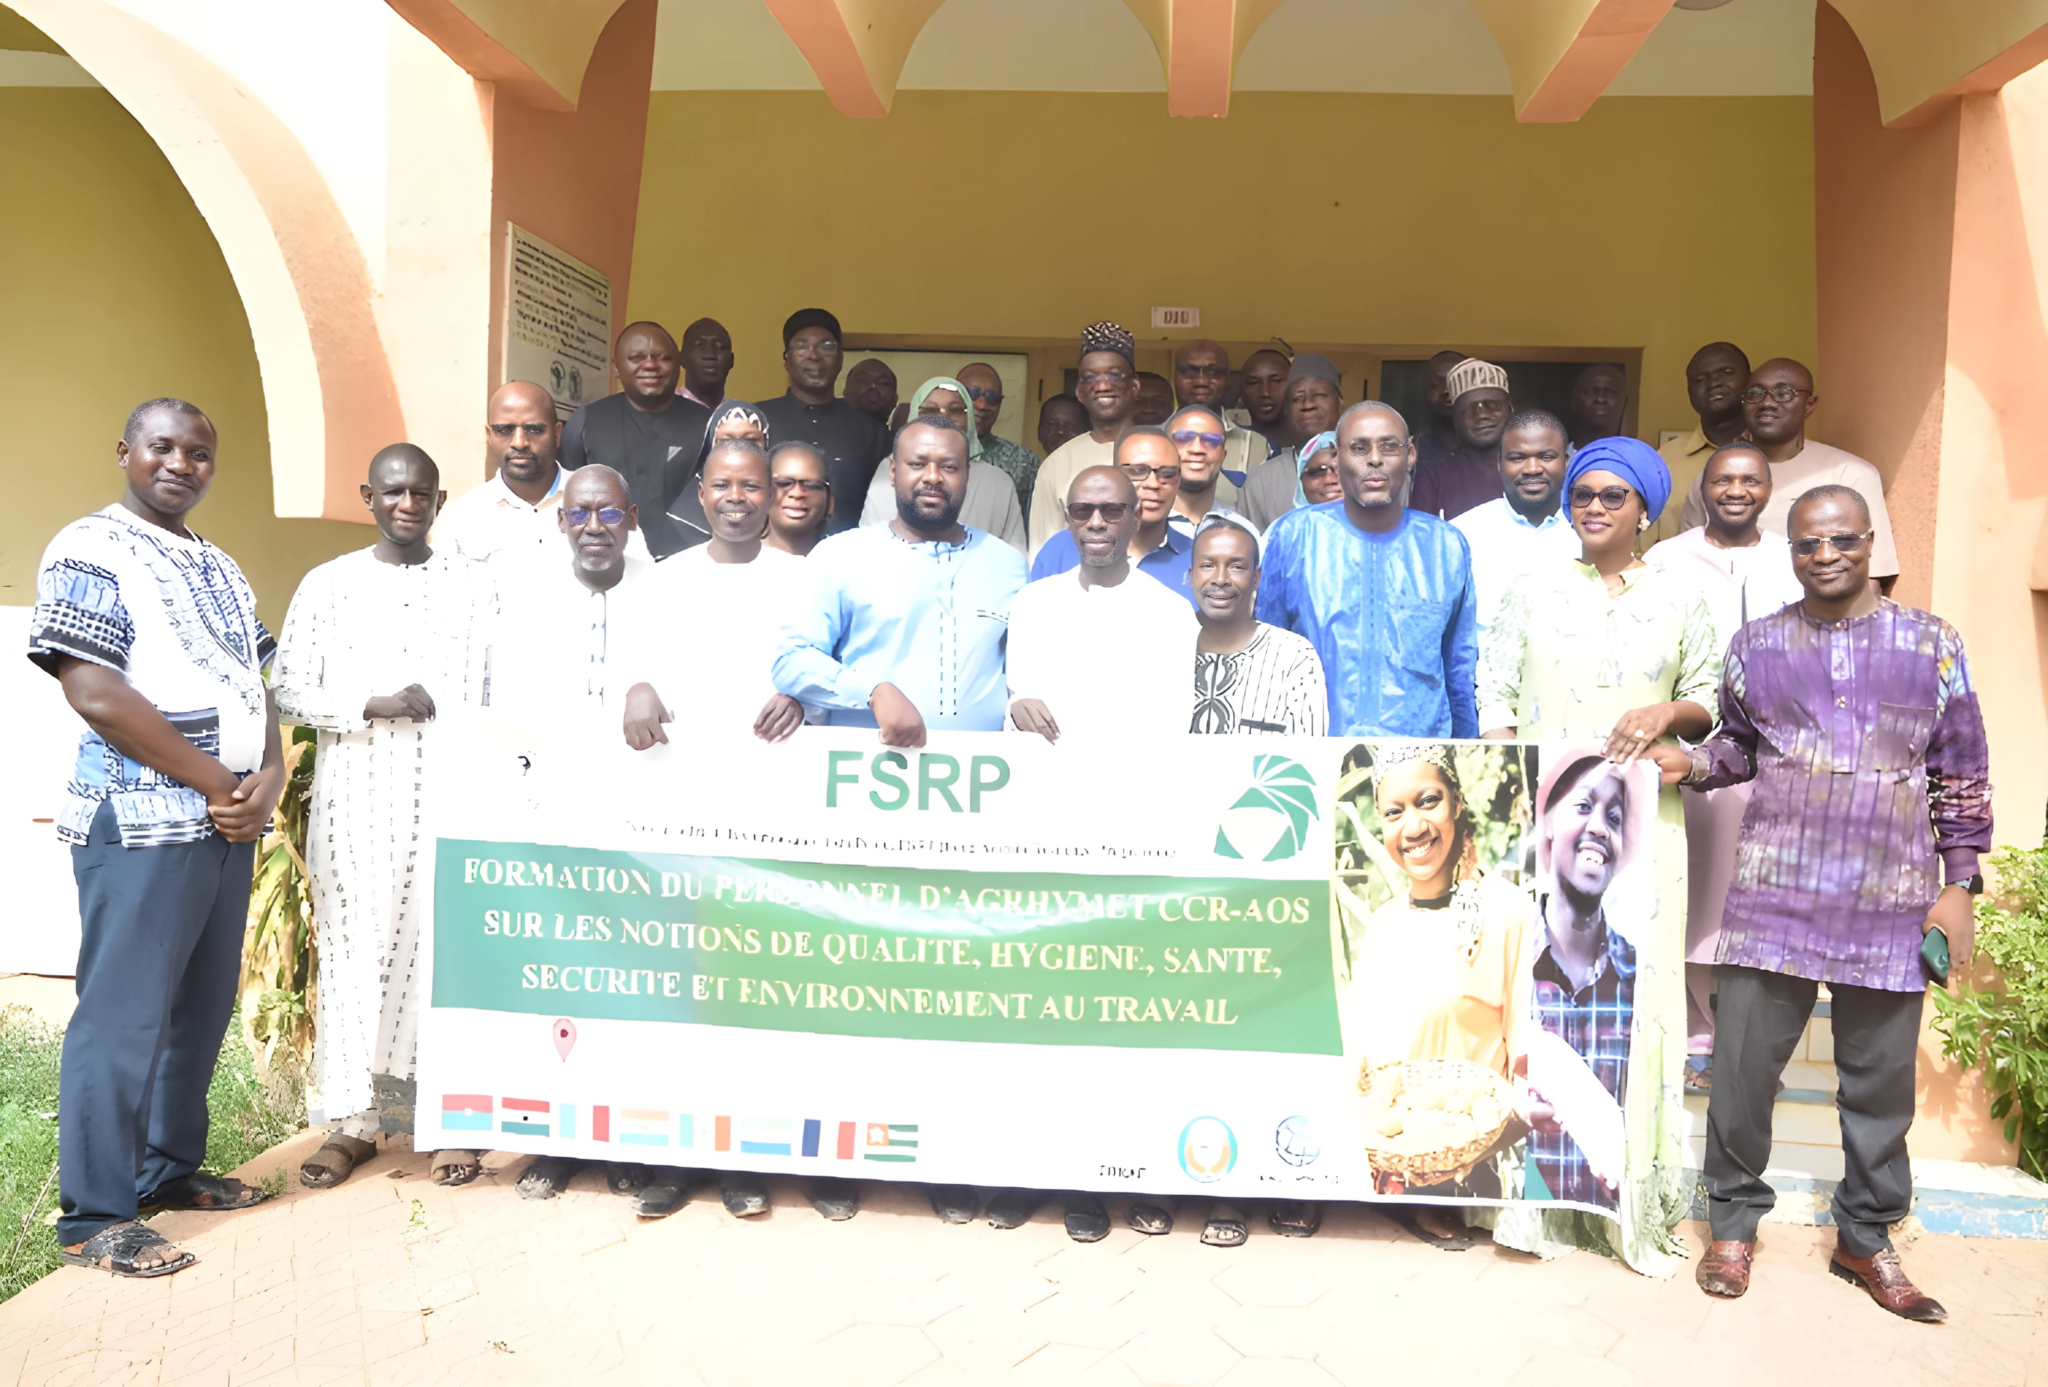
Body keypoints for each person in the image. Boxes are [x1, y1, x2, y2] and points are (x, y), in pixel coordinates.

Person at [1649, 485, 1989, 1321]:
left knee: (1879, 1092)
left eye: (1842, 540)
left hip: (1890, 901)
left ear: (1870, 542)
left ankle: (1866, 1236)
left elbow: (1961, 769)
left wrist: (1959, 884)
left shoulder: (1932, 643)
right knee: (1741, 1077)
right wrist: (1692, 763)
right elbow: (1738, 747)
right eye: (1808, 543)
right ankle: (1732, 1226)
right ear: (1790, 550)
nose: (1825, 554)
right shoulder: (1757, 646)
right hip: (1774, 899)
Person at [34, 399, 283, 1278]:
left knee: (198, 1011)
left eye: (199, 452)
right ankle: (95, 1217)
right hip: (140, 823)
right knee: (124, 1015)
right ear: (125, 451)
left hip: (225, 822)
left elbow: (257, 683)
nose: (181, 463)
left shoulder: (218, 561)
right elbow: (93, 690)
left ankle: (165, 1172)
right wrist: (219, 781)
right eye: (163, 447)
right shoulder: (89, 546)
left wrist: (269, 778)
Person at [1477, 435, 1715, 1271]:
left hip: (1644, 832)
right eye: (1583, 494)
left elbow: (1711, 699)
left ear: (1645, 508)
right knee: (1535, 999)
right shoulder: (1533, 586)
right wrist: (1514, 792)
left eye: (1615, 495)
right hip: (1546, 829)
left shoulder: (1683, 593)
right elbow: (1495, 693)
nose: (1595, 507)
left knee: (1636, 1002)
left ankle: (1624, 1207)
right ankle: (1532, 1209)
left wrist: (1666, 714)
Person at [274, 445, 497, 1192]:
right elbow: (288, 689)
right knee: (355, 955)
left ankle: (442, 1120)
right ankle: (353, 1123)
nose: (407, 504)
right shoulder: (328, 584)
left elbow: (497, 691)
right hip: (358, 804)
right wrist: (372, 702)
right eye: (393, 491)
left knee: (444, 955)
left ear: (440, 501)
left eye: (421, 493)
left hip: (452, 797)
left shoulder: (475, 588)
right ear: (368, 496)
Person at [1644, 443, 1803, 1085]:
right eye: (1723, 479)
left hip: (1780, 757)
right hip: (1696, 753)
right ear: (1702, 489)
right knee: (1697, 896)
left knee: (1760, 902)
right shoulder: (1665, 558)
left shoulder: (1792, 558)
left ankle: (1752, 1047)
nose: (1736, 490)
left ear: (1768, 489)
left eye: (1749, 480)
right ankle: (1698, 1038)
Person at [1338, 742, 1532, 1246]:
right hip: (1384, 1160)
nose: (1413, 827)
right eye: (1394, 813)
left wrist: (1463, 1146)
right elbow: (1358, 1059)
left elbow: (1528, 1067)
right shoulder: (1382, 924)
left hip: (1470, 1162)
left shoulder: (1506, 912)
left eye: (1428, 801)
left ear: (1457, 803)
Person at [774, 417, 1027, 743]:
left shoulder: (1008, 564)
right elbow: (791, 660)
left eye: (949, 467)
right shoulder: (840, 555)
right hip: (866, 766)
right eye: (917, 464)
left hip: (981, 768)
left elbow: (1027, 668)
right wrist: (872, 692)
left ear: (967, 475)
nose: (932, 477)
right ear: (893, 472)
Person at [1260, 403, 1479, 738]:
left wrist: (1467, 754)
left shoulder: (1445, 546)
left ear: (1410, 455)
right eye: (1359, 448)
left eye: (1389, 446)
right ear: (1336, 459)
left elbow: (1459, 667)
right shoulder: (1294, 536)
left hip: (1419, 756)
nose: (1375, 459)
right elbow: (1266, 656)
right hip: (1314, 750)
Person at [1521, 754, 1644, 1215]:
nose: (1599, 827)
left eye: (1614, 817)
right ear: (1549, 823)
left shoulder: (1640, 977)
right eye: (1583, 806)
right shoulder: (1506, 958)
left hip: (1609, 1220)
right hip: (1516, 1222)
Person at [1009, 464, 1199, 745]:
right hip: (1046, 768)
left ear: (1136, 519)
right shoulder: (1033, 603)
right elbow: (1020, 704)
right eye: (1082, 511)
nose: (1096, 522)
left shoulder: (1171, 613)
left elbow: (1173, 725)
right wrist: (1017, 710)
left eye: (1112, 511)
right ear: (1068, 520)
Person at [1675, 358, 1900, 588]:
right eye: (1755, 394)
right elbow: (1685, 564)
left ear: (1809, 405)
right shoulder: (1713, 481)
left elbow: (1872, 579)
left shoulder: (1850, 475)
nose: (1767, 403)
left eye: (1783, 394)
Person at [640, 439, 808, 745]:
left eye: (750, 486)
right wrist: (638, 687)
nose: (735, 496)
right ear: (701, 494)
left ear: (772, 495)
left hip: (779, 753)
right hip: (684, 754)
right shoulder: (664, 579)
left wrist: (803, 699)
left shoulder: (804, 578)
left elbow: (825, 668)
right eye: (721, 485)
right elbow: (639, 665)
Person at [437, 380, 639, 574]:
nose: (519, 442)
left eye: (534, 429)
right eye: (504, 430)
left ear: (557, 434)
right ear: (489, 435)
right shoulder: (460, 515)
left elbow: (636, 578)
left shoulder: (606, 504)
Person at [559, 321, 711, 558]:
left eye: (663, 358)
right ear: (616, 367)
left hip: (690, 562)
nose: (650, 365)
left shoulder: (709, 425)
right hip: (608, 561)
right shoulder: (586, 422)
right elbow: (565, 498)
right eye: (637, 357)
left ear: (679, 365)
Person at [755, 309, 890, 534]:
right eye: (802, 347)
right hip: (769, 551)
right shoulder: (756, 420)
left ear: (840, 360)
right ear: (786, 360)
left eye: (826, 347)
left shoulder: (870, 432)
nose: (814, 355)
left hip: (849, 553)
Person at [1188, 516, 1326, 735]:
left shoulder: (1294, 656)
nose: (1221, 579)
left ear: (1256, 578)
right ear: (1190, 575)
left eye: (1236, 567)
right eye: (1207, 566)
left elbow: (1307, 751)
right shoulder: (1161, 646)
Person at [1030, 428, 1196, 608]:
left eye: (1167, 474)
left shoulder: (1198, 559)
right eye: (1137, 471)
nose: (1153, 484)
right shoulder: (1060, 550)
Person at [1452, 409, 1579, 638]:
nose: (1532, 469)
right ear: (1499, 463)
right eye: (1517, 458)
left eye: (1546, 457)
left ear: (1566, 461)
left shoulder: (1590, 532)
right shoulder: (1461, 535)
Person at [857, 377, 1026, 550]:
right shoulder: (890, 470)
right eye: (930, 409)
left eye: (956, 409)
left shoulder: (998, 482)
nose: (943, 417)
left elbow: (1014, 554)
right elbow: (869, 545)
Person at [1027, 323, 1143, 555]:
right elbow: (1044, 552)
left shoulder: (1165, 454)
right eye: (1090, 377)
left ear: (1134, 386)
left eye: (1114, 375)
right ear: (1080, 391)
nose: (1102, 386)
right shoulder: (1057, 463)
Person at [1652, 342, 1748, 548]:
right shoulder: (1662, 461)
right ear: (1689, 392)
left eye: (1726, 372)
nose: (1713, 382)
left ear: (1751, 381)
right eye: (1700, 379)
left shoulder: (1774, 454)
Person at [1237, 355, 1344, 530]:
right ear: (1286, 410)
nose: (1308, 404)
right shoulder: (1260, 481)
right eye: (1297, 399)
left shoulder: (1370, 469)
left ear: (1340, 403)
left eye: (1319, 395)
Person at [664, 398, 772, 552]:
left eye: (751, 441)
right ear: (711, 444)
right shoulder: (682, 520)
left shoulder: (787, 501)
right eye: (726, 441)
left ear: (766, 444)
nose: (738, 450)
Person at [1410, 357, 1509, 521]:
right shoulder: (1433, 476)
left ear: (1510, 409)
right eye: (1468, 409)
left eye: (1492, 405)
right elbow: (1422, 532)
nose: (1482, 415)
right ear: (1456, 418)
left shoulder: (1534, 468)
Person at [1171, 340, 1268, 481]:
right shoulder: (1149, 440)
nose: (1201, 382)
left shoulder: (1258, 444)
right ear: (1175, 376)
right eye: (1190, 371)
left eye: (1213, 372)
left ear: (1227, 378)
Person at [959, 362, 1043, 518]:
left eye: (992, 398)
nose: (982, 405)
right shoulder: (928, 454)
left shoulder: (1024, 462)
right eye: (972, 394)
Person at [1162, 403, 1244, 533]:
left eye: (1212, 440)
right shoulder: (1134, 525)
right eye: (1184, 438)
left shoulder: (1241, 531)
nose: (1197, 449)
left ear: (1223, 455)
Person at [764, 440, 834, 557]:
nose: (797, 493)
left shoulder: (846, 561)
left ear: (830, 503)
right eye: (783, 483)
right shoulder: (735, 559)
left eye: (812, 485)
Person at [1412, 349, 1468, 471]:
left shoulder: (1500, 451)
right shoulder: (1410, 452)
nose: (1446, 390)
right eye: (1435, 384)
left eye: (1456, 382)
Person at [1238, 348, 1293, 450]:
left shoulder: (1316, 443)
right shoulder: (1230, 443)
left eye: (1276, 381)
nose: (1265, 392)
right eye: (1254, 383)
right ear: (1242, 390)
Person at [1566, 363, 1628, 452]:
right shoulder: (1555, 458)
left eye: (1610, 393)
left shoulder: (1636, 458)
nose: (1600, 399)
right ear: (1573, 401)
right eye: (1590, 392)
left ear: (1625, 403)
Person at [678, 317, 734, 409]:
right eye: (700, 345)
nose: (710, 355)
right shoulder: (663, 411)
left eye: (719, 347)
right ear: (682, 358)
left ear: (731, 360)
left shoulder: (740, 414)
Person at [845, 357, 898, 429]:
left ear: (895, 399)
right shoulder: (829, 431)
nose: (873, 386)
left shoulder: (903, 435)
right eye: (862, 380)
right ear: (846, 393)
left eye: (883, 383)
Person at [1037, 393, 1089, 460]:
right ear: (1040, 431)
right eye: (1052, 424)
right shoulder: (1030, 465)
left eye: (1071, 425)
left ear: (1085, 432)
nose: (1060, 431)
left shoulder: (1098, 465)